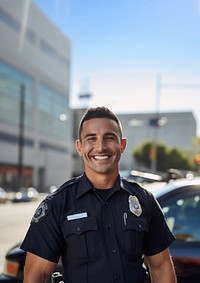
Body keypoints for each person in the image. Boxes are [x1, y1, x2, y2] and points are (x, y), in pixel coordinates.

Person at [21, 106, 177, 283]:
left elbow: (161, 266)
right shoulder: (58, 204)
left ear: (122, 145)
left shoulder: (144, 200)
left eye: (109, 138)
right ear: (79, 147)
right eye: (91, 138)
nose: (101, 147)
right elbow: (37, 275)